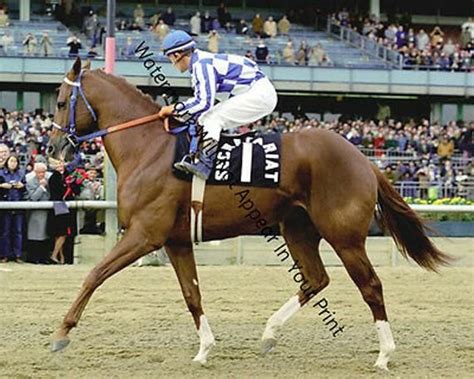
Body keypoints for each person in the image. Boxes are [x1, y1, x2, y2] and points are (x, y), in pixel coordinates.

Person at [157, 31, 278, 180]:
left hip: (259, 93)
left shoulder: (201, 65)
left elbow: (203, 103)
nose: (171, 63)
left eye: (170, 57)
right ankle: (200, 157)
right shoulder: (200, 62)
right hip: (254, 91)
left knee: (211, 119)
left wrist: (173, 109)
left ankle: (205, 165)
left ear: (177, 55)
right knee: (204, 118)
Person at [0, 155, 26, 263]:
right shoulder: (1, 173)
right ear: (7, 162)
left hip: (18, 205)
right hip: (5, 205)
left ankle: (18, 255)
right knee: (5, 231)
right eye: (11, 161)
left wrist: (22, 186)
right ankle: (4, 255)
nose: (13, 163)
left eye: (15, 161)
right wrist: (2, 186)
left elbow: (26, 188)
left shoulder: (21, 173)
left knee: (18, 232)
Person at [25, 162, 51, 264]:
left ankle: (43, 257)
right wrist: (41, 187)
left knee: (45, 236)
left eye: (43, 172)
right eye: (39, 172)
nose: (42, 174)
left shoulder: (49, 181)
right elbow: (33, 197)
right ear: (35, 172)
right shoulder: (31, 182)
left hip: (46, 211)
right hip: (35, 213)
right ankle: (33, 258)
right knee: (34, 235)